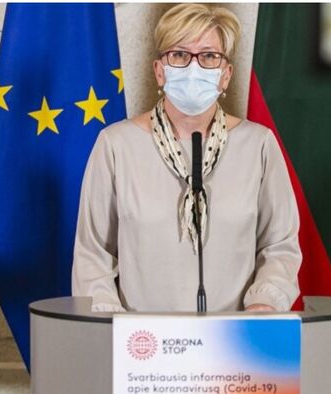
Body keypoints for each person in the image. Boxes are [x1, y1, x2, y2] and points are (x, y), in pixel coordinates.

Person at [71, 4, 301, 313]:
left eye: (209, 56)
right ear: (159, 71)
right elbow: (92, 254)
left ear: (226, 75)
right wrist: (111, 324)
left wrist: (264, 304)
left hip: (237, 335)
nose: (194, 67)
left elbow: (280, 245)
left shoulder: (259, 145)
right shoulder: (116, 145)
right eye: (179, 54)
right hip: (142, 337)